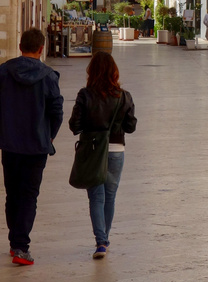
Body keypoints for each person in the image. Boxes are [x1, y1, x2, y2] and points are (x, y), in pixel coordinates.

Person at [0, 27, 63, 266]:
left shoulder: (4, 72)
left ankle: (14, 241)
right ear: (41, 48)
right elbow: (57, 110)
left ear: (20, 47)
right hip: (37, 145)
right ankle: (20, 246)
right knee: (29, 196)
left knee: (12, 193)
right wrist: (50, 135)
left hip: (10, 144)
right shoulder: (48, 76)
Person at [69, 51, 137, 260]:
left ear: (92, 72)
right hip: (116, 149)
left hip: (92, 150)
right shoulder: (124, 96)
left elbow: (75, 126)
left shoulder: (85, 94)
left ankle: (101, 241)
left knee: (96, 197)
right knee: (110, 196)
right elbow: (131, 126)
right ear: (114, 72)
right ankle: (104, 239)